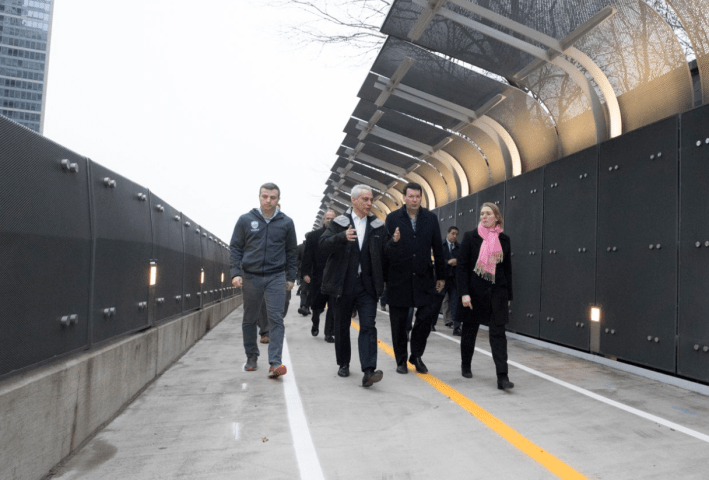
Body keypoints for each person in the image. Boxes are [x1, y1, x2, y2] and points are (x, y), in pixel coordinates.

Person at [319, 185, 386, 388]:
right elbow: (322, 245)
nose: (369, 203)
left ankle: (368, 371)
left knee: (368, 326)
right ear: (354, 200)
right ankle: (344, 363)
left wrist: (395, 243)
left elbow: (386, 252)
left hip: (367, 286)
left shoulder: (377, 225)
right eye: (365, 199)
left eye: (371, 199)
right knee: (341, 326)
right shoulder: (340, 223)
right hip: (343, 284)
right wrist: (341, 237)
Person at [230, 183, 297, 379]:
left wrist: (291, 277)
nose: (268, 201)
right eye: (265, 196)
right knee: (249, 318)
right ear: (259, 197)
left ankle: (275, 362)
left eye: (273, 198)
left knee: (276, 318)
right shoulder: (245, 220)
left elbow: (292, 252)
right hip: (250, 276)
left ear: (278, 200)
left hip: (276, 276)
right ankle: (251, 356)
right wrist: (235, 272)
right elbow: (235, 248)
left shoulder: (286, 223)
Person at [384, 182, 445, 375]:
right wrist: (393, 242)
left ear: (421, 198)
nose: (414, 200)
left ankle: (416, 355)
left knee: (426, 316)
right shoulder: (392, 218)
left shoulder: (430, 218)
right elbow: (385, 250)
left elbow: (438, 247)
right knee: (399, 322)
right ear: (404, 197)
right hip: (399, 277)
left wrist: (441, 275)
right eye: (410, 196)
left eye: (417, 196)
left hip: (423, 276)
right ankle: (401, 360)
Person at [457, 202, 514, 390]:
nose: (484, 216)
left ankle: (502, 376)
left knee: (498, 334)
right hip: (474, 293)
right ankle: (466, 364)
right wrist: (464, 293)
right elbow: (463, 268)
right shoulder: (470, 237)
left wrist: (508, 296)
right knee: (469, 331)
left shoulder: (504, 240)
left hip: (497, 293)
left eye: (488, 214)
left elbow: (507, 270)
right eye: (482, 214)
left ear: (496, 217)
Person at [301, 209, 337, 342]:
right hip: (317, 277)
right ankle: (315, 322)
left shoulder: (340, 235)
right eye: (328, 218)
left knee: (333, 306)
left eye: (332, 218)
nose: (330, 221)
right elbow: (307, 256)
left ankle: (329, 333)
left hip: (335, 277)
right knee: (316, 306)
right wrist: (305, 273)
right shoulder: (313, 236)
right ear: (324, 220)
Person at [432, 226, 460, 334]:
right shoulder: (440, 245)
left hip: (454, 280)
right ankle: (431, 324)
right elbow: (436, 259)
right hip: (442, 279)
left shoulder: (458, 247)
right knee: (437, 302)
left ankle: (457, 327)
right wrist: (447, 262)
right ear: (447, 234)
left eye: (456, 234)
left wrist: (457, 261)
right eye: (453, 233)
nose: (454, 236)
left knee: (455, 303)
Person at [296, 236, 311, 316]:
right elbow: (296, 260)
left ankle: (307, 307)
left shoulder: (314, 246)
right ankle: (304, 307)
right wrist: (301, 266)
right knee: (304, 289)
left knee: (310, 291)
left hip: (313, 272)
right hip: (303, 272)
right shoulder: (300, 247)